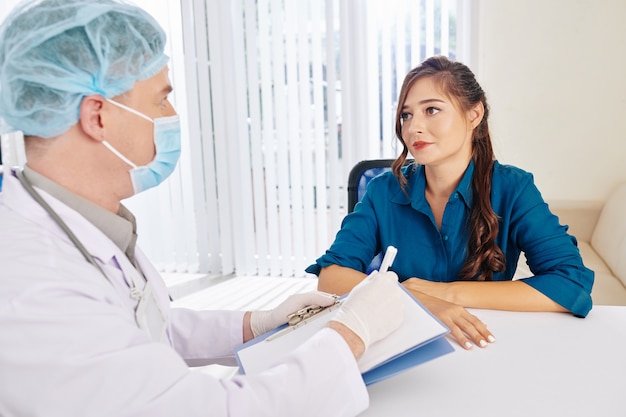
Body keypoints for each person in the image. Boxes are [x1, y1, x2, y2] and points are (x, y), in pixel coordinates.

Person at [0, 1, 405, 416]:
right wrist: (351, 334)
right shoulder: (36, 286)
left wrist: (258, 324)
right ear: (97, 117)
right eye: (161, 100)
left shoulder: (76, 220)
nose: (172, 116)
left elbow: (142, 331)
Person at [307, 55, 594, 350]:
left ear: (474, 114)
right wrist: (418, 300)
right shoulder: (382, 191)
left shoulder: (514, 188)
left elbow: (571, 282)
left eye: (431, 109)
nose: (413, 128)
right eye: (406, 115)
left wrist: (448, 294)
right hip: (401, 342)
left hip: (482, 342)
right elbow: (331, 277)